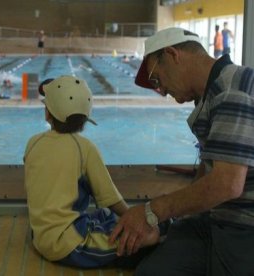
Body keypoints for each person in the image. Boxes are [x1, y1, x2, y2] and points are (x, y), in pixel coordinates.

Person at [109, 27, 254, 275]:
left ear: (173, 54)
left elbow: (226, 184)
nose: (162, 91)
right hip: (215, 220)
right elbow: (209, 171)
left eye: (157, 79)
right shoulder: (210, 94)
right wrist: (168, 221)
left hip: (244, 228)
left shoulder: (231, 90)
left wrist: (151, 212)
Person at [24, 75, 160, 268]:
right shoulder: (84, 148)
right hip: (69, 243)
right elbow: (111, 199)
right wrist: (137, 221)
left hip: (39, 235)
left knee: (103, 215)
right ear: (85, 118)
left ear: (47, 114)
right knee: (146, 238)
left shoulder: (33, 142)